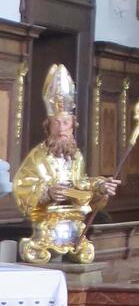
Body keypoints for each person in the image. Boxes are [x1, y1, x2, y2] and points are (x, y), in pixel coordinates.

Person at [14, 65, 119, 263]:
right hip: (46, 220)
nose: (61, 129)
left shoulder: (75, 155)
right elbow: (22, 184)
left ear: (73, 125)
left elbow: (80, 183)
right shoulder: (38, 156)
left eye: (66, 123)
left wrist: (100, 185)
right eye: (57, 123)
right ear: (48, 126)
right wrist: (47, 192)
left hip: (72, 219)